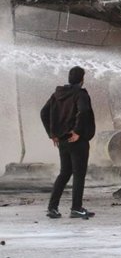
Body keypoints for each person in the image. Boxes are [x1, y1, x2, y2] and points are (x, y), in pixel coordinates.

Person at [40, 66, 96, 219]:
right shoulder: (80, 94)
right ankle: (76, 208)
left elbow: (43, 112)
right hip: (77, 141)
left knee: (64, 173)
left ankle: (52, 207)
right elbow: (83, 111)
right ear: (82, 79)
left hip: (63, 141)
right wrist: (77, 131)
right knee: (79, 174)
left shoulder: (57, 94)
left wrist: (52, 134)